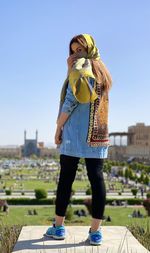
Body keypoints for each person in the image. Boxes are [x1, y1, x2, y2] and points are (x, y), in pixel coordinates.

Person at [45, 34, 112, 245]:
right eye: (73, 51)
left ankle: (58, 227)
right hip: (97, 134)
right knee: (97, 180)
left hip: (74, 134)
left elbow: (71, 100)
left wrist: (58, 127)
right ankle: (95, 232)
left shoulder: (80, 69)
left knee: (66, 180)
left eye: (80, 50)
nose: (76, 55)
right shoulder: (102, 71)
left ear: (88, 49)